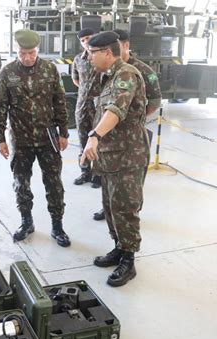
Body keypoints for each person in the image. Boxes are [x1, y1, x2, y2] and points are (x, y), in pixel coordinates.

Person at [81, 31, 149, 287]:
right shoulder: (107, 77)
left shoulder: (126, 75)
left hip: (128, 156)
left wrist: (94, 135)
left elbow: (115, 110)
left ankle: (128, 260)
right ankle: (119, 248)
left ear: (107, 53)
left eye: (92, 54)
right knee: (110, 208)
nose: (89, 59)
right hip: (111, 156)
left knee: (125, 208)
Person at [0, 29, 71, 247]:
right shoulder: (7, 73)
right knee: (21, 183)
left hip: (48, 138)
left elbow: (59, 101)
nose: (27, 58)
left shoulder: (50, 69)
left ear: (38, 50)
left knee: (54, 183)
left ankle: (57, 226)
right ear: (16, 50)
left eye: (32, 53)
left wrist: (63, 132)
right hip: (21, 138)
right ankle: (26, 222)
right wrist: (0, 138)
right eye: (23, 53)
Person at [92, 28, 161, 221]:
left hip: (129, 145)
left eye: (93, 52)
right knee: (114, 197)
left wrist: (133, 119)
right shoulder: (108, 73)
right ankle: (119, 241)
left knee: (128, 200)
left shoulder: (133, 72)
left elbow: (153, 101)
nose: (89, 57)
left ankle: (127, 244)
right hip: (112, 145)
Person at [72, 28, 102, 188]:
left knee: (100, 141)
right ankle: (85, 172)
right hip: (83, 106)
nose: (86, 42)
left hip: (100, 107)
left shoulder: (104, 56)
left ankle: (98, 175)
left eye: (88, 38)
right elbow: (76, 80)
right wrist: (86, 91)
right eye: (82, 40)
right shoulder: (78, 59)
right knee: (83, 140)